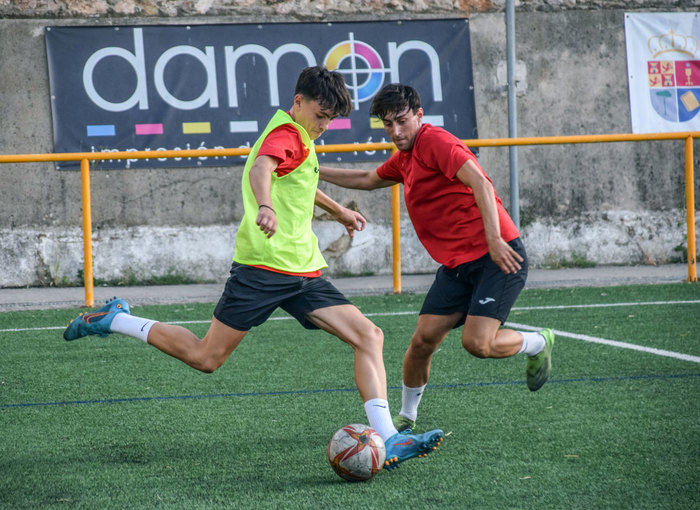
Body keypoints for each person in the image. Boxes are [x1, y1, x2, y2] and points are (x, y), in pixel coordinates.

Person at [63, 67, 443, 470]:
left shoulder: (300, 138)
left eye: (331, 119)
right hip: (261, 271)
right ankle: (115, 319)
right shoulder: (285, 135)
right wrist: (264, 206)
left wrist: (339, 213)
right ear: (299, 102)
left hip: (303, 273)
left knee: (369, 336)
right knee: (205, 358)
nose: (324, 125)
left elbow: (299, 180)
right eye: (320, 115)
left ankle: (390, 438)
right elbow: (263, 168)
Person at [319, 83, 554, 432]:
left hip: (498, 255)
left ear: (418, 116)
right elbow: (368, 178)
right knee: (422, 341)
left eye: (401, 121)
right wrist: (313, 169)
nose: (395, 131)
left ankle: (538, 343)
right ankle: (407, 418)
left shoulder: (436, 142)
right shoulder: (405, 157)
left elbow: (482, 185)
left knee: (477, 344)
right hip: (458, 265)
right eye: (387, 124)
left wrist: (494, 239)